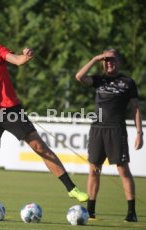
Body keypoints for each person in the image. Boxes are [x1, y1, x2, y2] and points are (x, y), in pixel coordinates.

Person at [0, 30, 88, 230]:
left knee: (40, 148)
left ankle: (71, 188)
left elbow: (16, 60)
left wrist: (25, 57)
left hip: (10, 110)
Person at [75, 48, 143, 222]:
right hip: (97, 130)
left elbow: (135, 108)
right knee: (94, 170)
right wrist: (95, 58)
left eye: (112, 60)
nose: (109, 63)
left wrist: (139, 132)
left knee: (123, 170)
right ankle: (90, 212)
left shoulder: (127, 82)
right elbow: (79, 77)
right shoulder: (99, 80)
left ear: (118, 61)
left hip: (116, 130)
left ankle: (131, 212)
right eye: (106, 60)